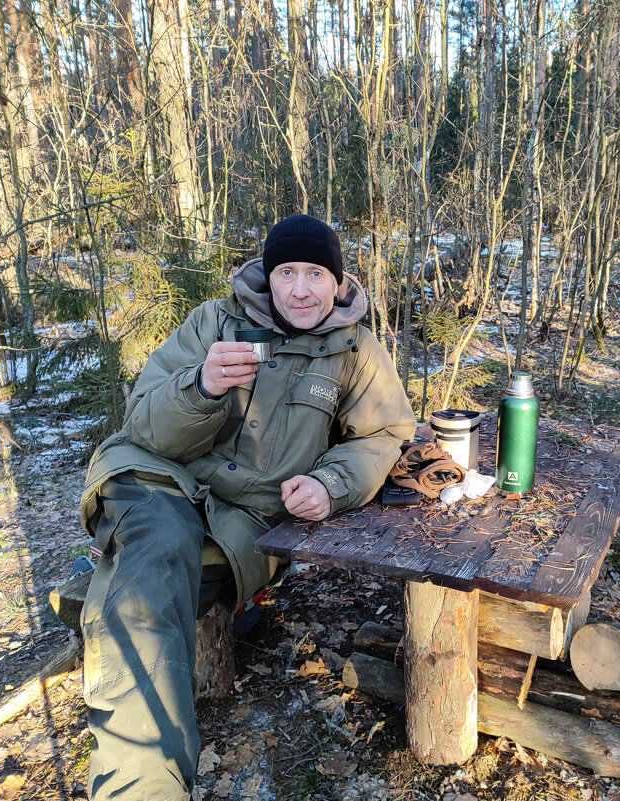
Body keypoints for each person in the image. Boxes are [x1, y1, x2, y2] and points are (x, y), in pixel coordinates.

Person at [77, 214, 416, 801]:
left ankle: (109, 602)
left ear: (338, 281)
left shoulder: (356, 350)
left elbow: (384, 435)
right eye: (287, 272)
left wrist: (331, 484)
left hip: (246, 523)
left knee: (149, 585)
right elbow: (144, 425)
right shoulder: (214, 321)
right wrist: (200, 387)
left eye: (316, 274)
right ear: (268, 274)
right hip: (159, 478)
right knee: (156, 556)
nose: (301, 290)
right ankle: (142, 788)